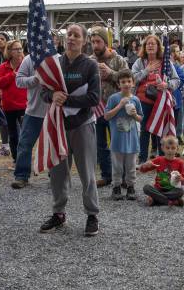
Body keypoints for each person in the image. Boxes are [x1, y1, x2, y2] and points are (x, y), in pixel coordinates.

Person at [40, 24, 100, 236]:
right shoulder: (55, 63)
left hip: (82, 125)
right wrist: (51, 96)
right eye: (69, 35)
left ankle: (92, 214)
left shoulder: (90, 66)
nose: (71, 38)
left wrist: (67, 99)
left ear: (84, 41)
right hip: (58, 126)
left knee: (87, 173)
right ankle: (59, 213)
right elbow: (44, 92)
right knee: (57, 173)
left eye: (76, 35)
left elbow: (94, 98)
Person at [132, 34, 180, 164]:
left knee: (160, 130)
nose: (150, 46)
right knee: (144, 130)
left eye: (153, 43)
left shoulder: (166, 62)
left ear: (159, 46)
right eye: (148, 44)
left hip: (161, 101)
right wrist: (146, 70)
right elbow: (133, 79)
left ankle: (161, 159)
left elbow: (177, 80)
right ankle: (142, 159)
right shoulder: (139, 62)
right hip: (143, 101)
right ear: (144, 47)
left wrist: (167, 84)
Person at [90, 26, 128, 187]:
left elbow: (129, 80)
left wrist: (111, 73)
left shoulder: (119, 59)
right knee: (100, 145)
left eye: (98, 41)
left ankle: (124, 177)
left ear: (106, 42)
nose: (95, 45)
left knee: (119, 144)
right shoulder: (90, 60)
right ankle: (106, 176)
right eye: (92, 42)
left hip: (117, 109)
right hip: (97, 109)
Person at [10, 53, 50, 189]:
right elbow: (18, 81)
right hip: (33, 111)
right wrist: (35, 79)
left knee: (54, 145)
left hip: (54, 111)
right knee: (25, 144)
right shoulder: (29, 59)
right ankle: (21, 176)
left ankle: (56, 175)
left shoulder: (58, 58)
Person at [104, 69, 143, 200]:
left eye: (129, 81)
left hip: (132, 140)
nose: (126, 84)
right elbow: (107, 116)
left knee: (131, 166)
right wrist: (119, 106)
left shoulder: (136, 100)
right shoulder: (113, 98)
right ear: (118, 84)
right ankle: (116, 187)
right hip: (117, 140)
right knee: (117, 166)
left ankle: (131, 186)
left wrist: (134, 115)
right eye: (123, 82)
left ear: (133, 83)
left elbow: (141, 118)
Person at [0, 39, 27, 163]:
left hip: (24, 105)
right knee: (13, 135)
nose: (20, 51)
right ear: (9, 51)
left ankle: (25, 158)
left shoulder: (26, 64)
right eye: (16, 49)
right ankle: (16, 159)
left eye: (21, 48)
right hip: (9, 106)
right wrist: (12, 75)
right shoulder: (3, 67)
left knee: (25, 135)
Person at [139, 135, 184, 206]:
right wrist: (145, 165)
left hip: (172, 189)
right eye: (167, 148)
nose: (170, 150)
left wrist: (181, 178)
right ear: (162, 148)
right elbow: (142, 170)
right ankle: (170, 201)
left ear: (177, 149)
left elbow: (183, 182)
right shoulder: (159, 159)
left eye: (173, 148)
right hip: (158, 188)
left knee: (181, 191)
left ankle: (157, 199)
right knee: (146, 188)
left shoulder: (180, 162)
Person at [170, 44, 184, 146]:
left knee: (177, 120)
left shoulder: (177, 65)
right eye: (177, 51)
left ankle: (176, 137)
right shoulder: (174, 66)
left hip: (176, 98)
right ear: (172, 53)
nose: (179, 53)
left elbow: (182, 79)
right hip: (169, 98)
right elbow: (182, 79)